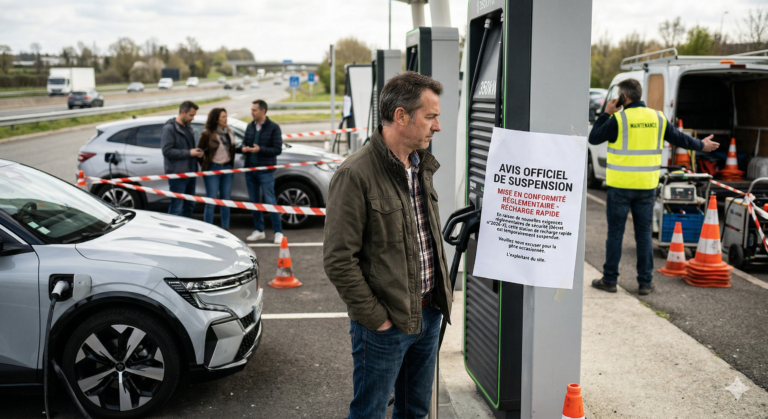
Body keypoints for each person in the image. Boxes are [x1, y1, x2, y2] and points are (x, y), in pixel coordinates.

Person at [323, 72, 452, 419]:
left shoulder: (420, 167)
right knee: (370, 412)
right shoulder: (355, 174)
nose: (436, 126)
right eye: (430, 116)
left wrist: (438, 303)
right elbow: (338, 260)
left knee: (415, 410)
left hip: (428, 313)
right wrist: (377, 319)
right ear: (400, 116)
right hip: (385, 325)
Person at [589, 78, 720, 295]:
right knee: (643, 235)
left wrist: (606, 112)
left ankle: (610, 280)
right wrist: (701, 145)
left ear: (623, 97)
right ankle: (645, 283)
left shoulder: (619, 119)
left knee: (615, 235)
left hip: (620, 188)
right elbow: (679, 139)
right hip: (646, 188)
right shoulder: (657, 118)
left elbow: (594, 138)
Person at [242, 99, 284, 244]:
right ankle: (259, 230)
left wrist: (260, 150)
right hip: (250, 169)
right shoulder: (250, 126)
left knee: (270, 200)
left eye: (254, 110)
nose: (251, 112)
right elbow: (245, 142)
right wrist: (244, 149)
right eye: (251, 110)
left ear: (263, 111)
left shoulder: (273, 128)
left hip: (265, 170)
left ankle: (278, 232)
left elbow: (277, 149)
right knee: (254, 201)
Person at [161, 101, 202, 218]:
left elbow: (188, 150)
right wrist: (189, 153)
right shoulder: (169, 128)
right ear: (183, 112)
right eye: (191, 115)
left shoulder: (188, 128)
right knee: (176, 207)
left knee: (189, 206)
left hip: (190, 173)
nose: (193, 118)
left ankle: (186, 233)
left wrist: (196, 153)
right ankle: (174, 234)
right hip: (177, 175)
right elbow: (167, 151)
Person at [197, 107, 236, 230]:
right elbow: (199, 152)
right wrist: (206, 164)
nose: (226, 119)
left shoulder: (228, 132)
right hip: (213, 168)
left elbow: (232, 149)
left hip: (227, 168)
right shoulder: (207, 134)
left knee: (226, 200)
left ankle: (226, 228)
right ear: (216, 119)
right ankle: (208, 228)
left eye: (226, 116)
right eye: (223, 116)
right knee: (211, 200)